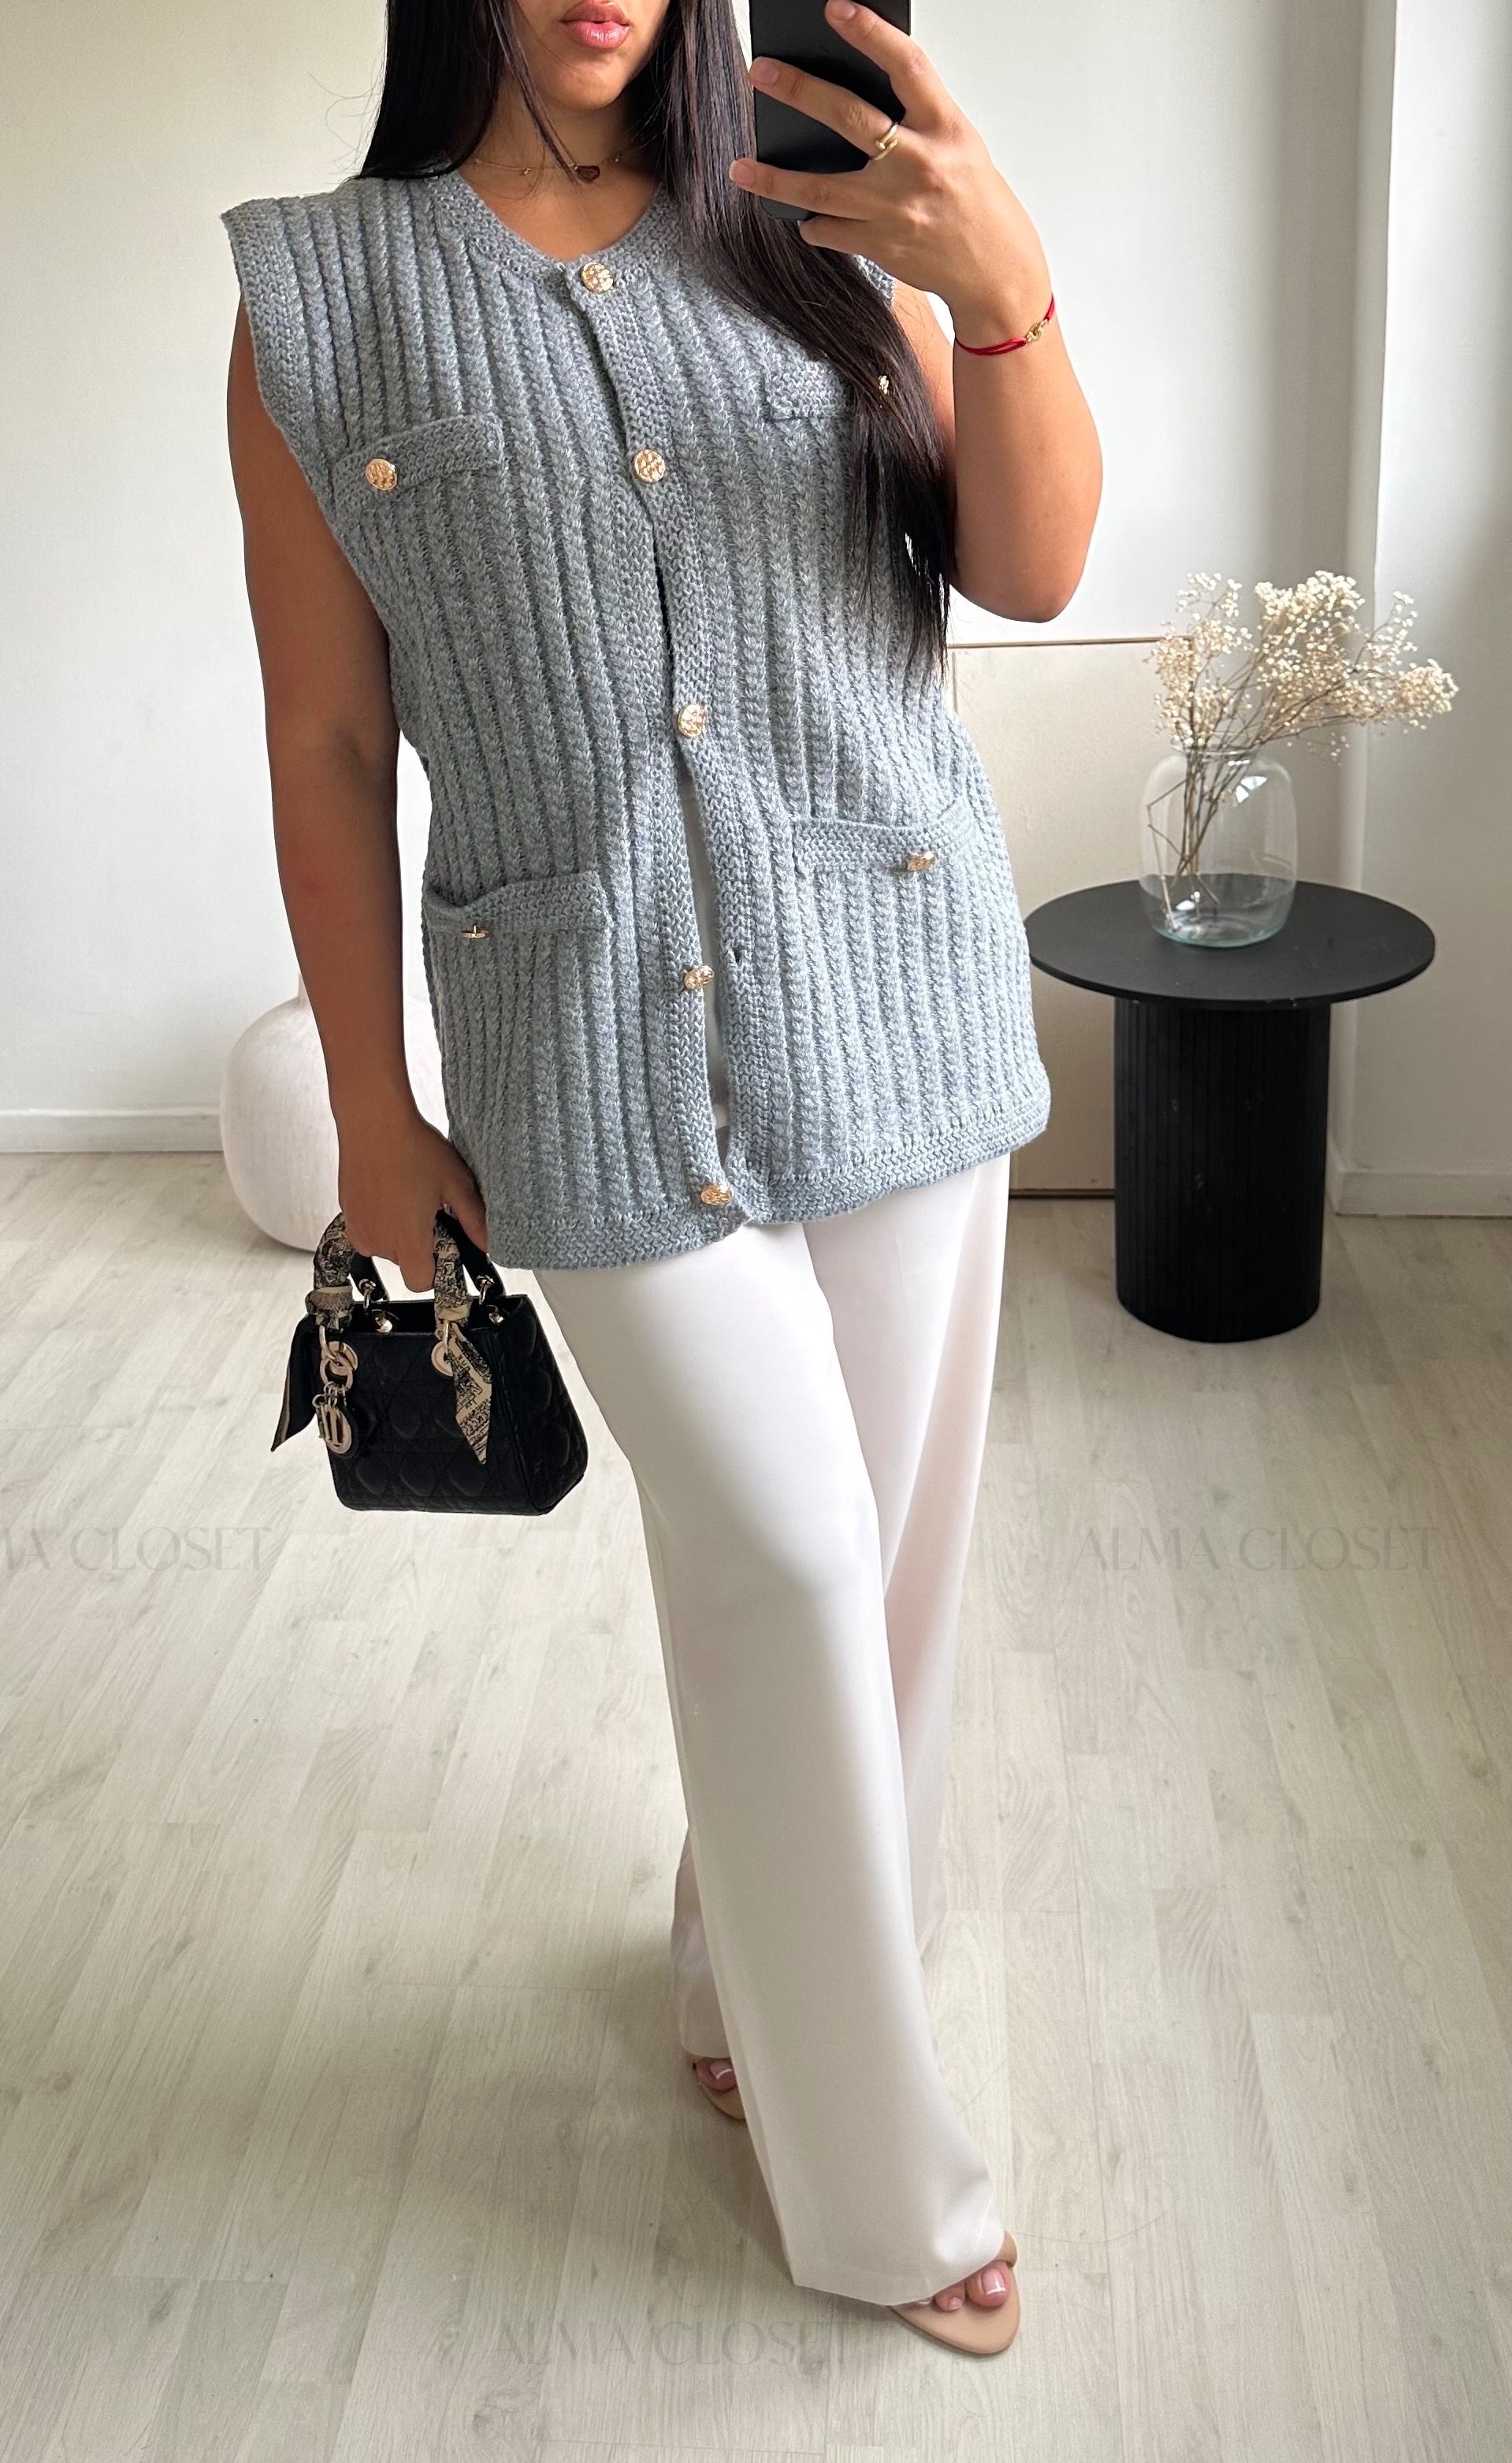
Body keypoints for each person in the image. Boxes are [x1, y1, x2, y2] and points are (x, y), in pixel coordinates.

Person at [224, 0, 1100, 2357]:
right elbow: (325, 731)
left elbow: (1028, 570)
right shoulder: (322, 289)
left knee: (883, 1586)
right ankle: (882, 2190)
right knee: (789, 1560)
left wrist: (1001, 279)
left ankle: (744, 1977)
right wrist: (372, 1104)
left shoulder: (823, 226)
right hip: (583, 1050)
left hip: (896, 994)